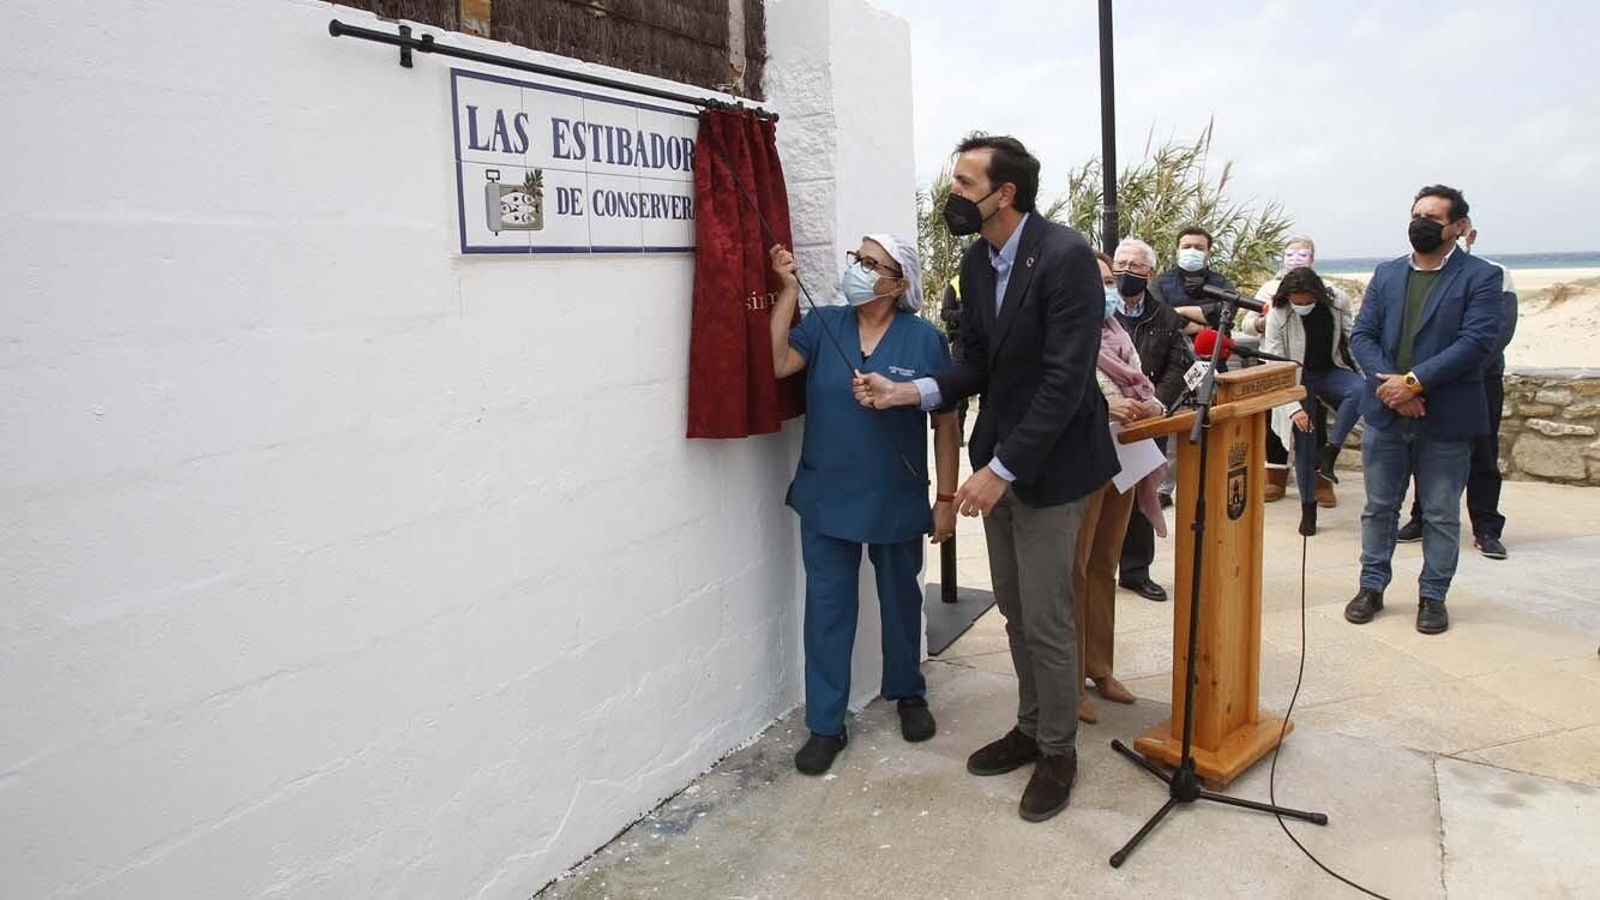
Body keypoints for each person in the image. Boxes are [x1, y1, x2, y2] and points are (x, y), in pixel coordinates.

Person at [853, 133, 1116, 822]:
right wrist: (907, 392)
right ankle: (1032, 726)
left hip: (1053, 467)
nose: (954, 194)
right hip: (999, 457)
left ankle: (1059, 752)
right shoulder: (974, 262)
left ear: (1006, 194)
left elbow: (1063, 383)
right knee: (1016, 608)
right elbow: (973, 365)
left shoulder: (1064, 257)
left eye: (967, 182)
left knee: (1050, 616)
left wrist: (1000, 469)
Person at [769, 235, 961, 775]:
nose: (855, 268)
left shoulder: (925, 340)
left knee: (902, 602)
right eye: (856, 258)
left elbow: (946, 423)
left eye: (870, 263)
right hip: (826, 493)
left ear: (898, 284)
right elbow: (779, 361)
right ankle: (825, 724)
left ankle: (908, 692)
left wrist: (945, 499)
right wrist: (787, 292)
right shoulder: (824, 324)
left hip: (895, 494)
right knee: (827, 611)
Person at [1344, 185, 1502, 636]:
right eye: (1416, 215)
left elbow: (1476, 343)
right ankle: (1371, 586)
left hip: (1446, 416)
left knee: (1439, 512)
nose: (1421, 223)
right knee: (1378, 508)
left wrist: (1414, 382)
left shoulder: (1481, 277)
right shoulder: (1388, 274)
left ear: (1458, 227)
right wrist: (1393, 388)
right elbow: (1362, 337)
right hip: (1387, 411)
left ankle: (1433, 596)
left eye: (1433, 217)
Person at [1077, 253, 1167, 724]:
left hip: (1126, 460)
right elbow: (1059, 393)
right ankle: (1068, 680)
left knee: (1104, 566)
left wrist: (1150, 405)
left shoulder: (1119, 334)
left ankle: (1100, 668)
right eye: (1098, 281)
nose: (1108, 289)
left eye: (1111, 280)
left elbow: (1140, 387)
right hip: (1082, 464)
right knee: (1074, 571)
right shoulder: (1064, 335)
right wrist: (1104, 410)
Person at [1397, 218, 1518, 559]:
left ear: (1465, 232)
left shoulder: (1494, 274)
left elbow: (1496, 334)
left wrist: (1455, 370)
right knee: (1424, 452)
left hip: (1478, 380)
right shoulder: (1421, 275)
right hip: (1428, 380)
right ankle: (1420, 517)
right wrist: (1424, 376)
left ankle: (1486, 527)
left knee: (1483, 454)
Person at [1110, 237, 1192, 603]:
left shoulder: (1167, 317)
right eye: (1120, 265)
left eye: (1135, 266)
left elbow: (1179, 365)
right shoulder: (1098, 312)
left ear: (1150, 273)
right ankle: (1095, 568)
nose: (1126, 272)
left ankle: (1135, 571)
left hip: (1147, 419)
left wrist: (1157, 402)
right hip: (1102, 418)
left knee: (1140, 499)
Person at [1260, 267, 1362, 536]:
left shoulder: (1338, 301)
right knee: (1305, 439)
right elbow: (1274, 364)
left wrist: (1369, 376)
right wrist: (1292, 408)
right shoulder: (1278, 314)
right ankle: (1308, 508)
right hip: (1296, 380)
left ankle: (1330, 451)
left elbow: (1352, 343)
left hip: (1329, 371)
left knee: (1359, 391)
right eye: (1298, 302)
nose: (1303, 306)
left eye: (1308, 301)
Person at [1246, 236, 1347, 508]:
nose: (1295, 259)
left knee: (1315, 423)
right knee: (1275, 422)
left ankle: (1320, 480)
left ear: (1312, 258)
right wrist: (1266, 321)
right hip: (1275, 364)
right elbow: (1246, 325)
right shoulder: (1269, 288)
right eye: (1290, 254)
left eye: (1302, 254)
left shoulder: (1326, 291)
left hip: (1314, 367)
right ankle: (1275, 478)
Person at [1156, 226, 1238, 335]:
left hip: (1213, 348)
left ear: (1208, 253)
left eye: (1199, 248)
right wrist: (1201, 328)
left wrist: (1180, 311)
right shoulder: (1160, 282)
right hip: (1170, 347)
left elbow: (1226, 313)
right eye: (1186, 247)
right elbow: (1158, 316)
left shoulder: (1222, 283)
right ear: (1178, 252)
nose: (1192, 251)